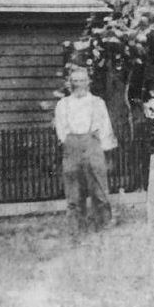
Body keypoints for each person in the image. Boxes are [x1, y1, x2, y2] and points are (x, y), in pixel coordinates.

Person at [53, 65, 117, 234]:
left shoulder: (97, 102)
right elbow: (61, 128)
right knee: (74, 190)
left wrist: (105, 149)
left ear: (88, 82)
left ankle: (103, 225)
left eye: (82, 80)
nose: (78, 84)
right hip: (72, 145)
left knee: (99, 189)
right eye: (74, 81)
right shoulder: (63, 104)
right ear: (69, 83)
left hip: (93, 145)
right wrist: (68, 141)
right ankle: (77, 228)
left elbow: (105, 127)